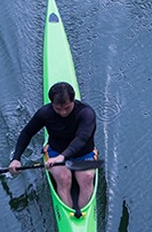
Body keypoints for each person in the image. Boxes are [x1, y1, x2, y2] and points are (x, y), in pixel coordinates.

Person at [8, 82, 97, 215]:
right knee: (64, 179)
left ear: (73, 101)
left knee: (87, 178)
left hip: (83, 153)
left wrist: (63, 157)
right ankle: (68, 214)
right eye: (58, 109)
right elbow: (27, 133)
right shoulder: (45, 113)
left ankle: (83, 214)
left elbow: (82, 139)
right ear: (52, 104)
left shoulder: (86, 113)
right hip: (56, 151)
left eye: (67, 108)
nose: (63, 112)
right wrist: (16, 159)